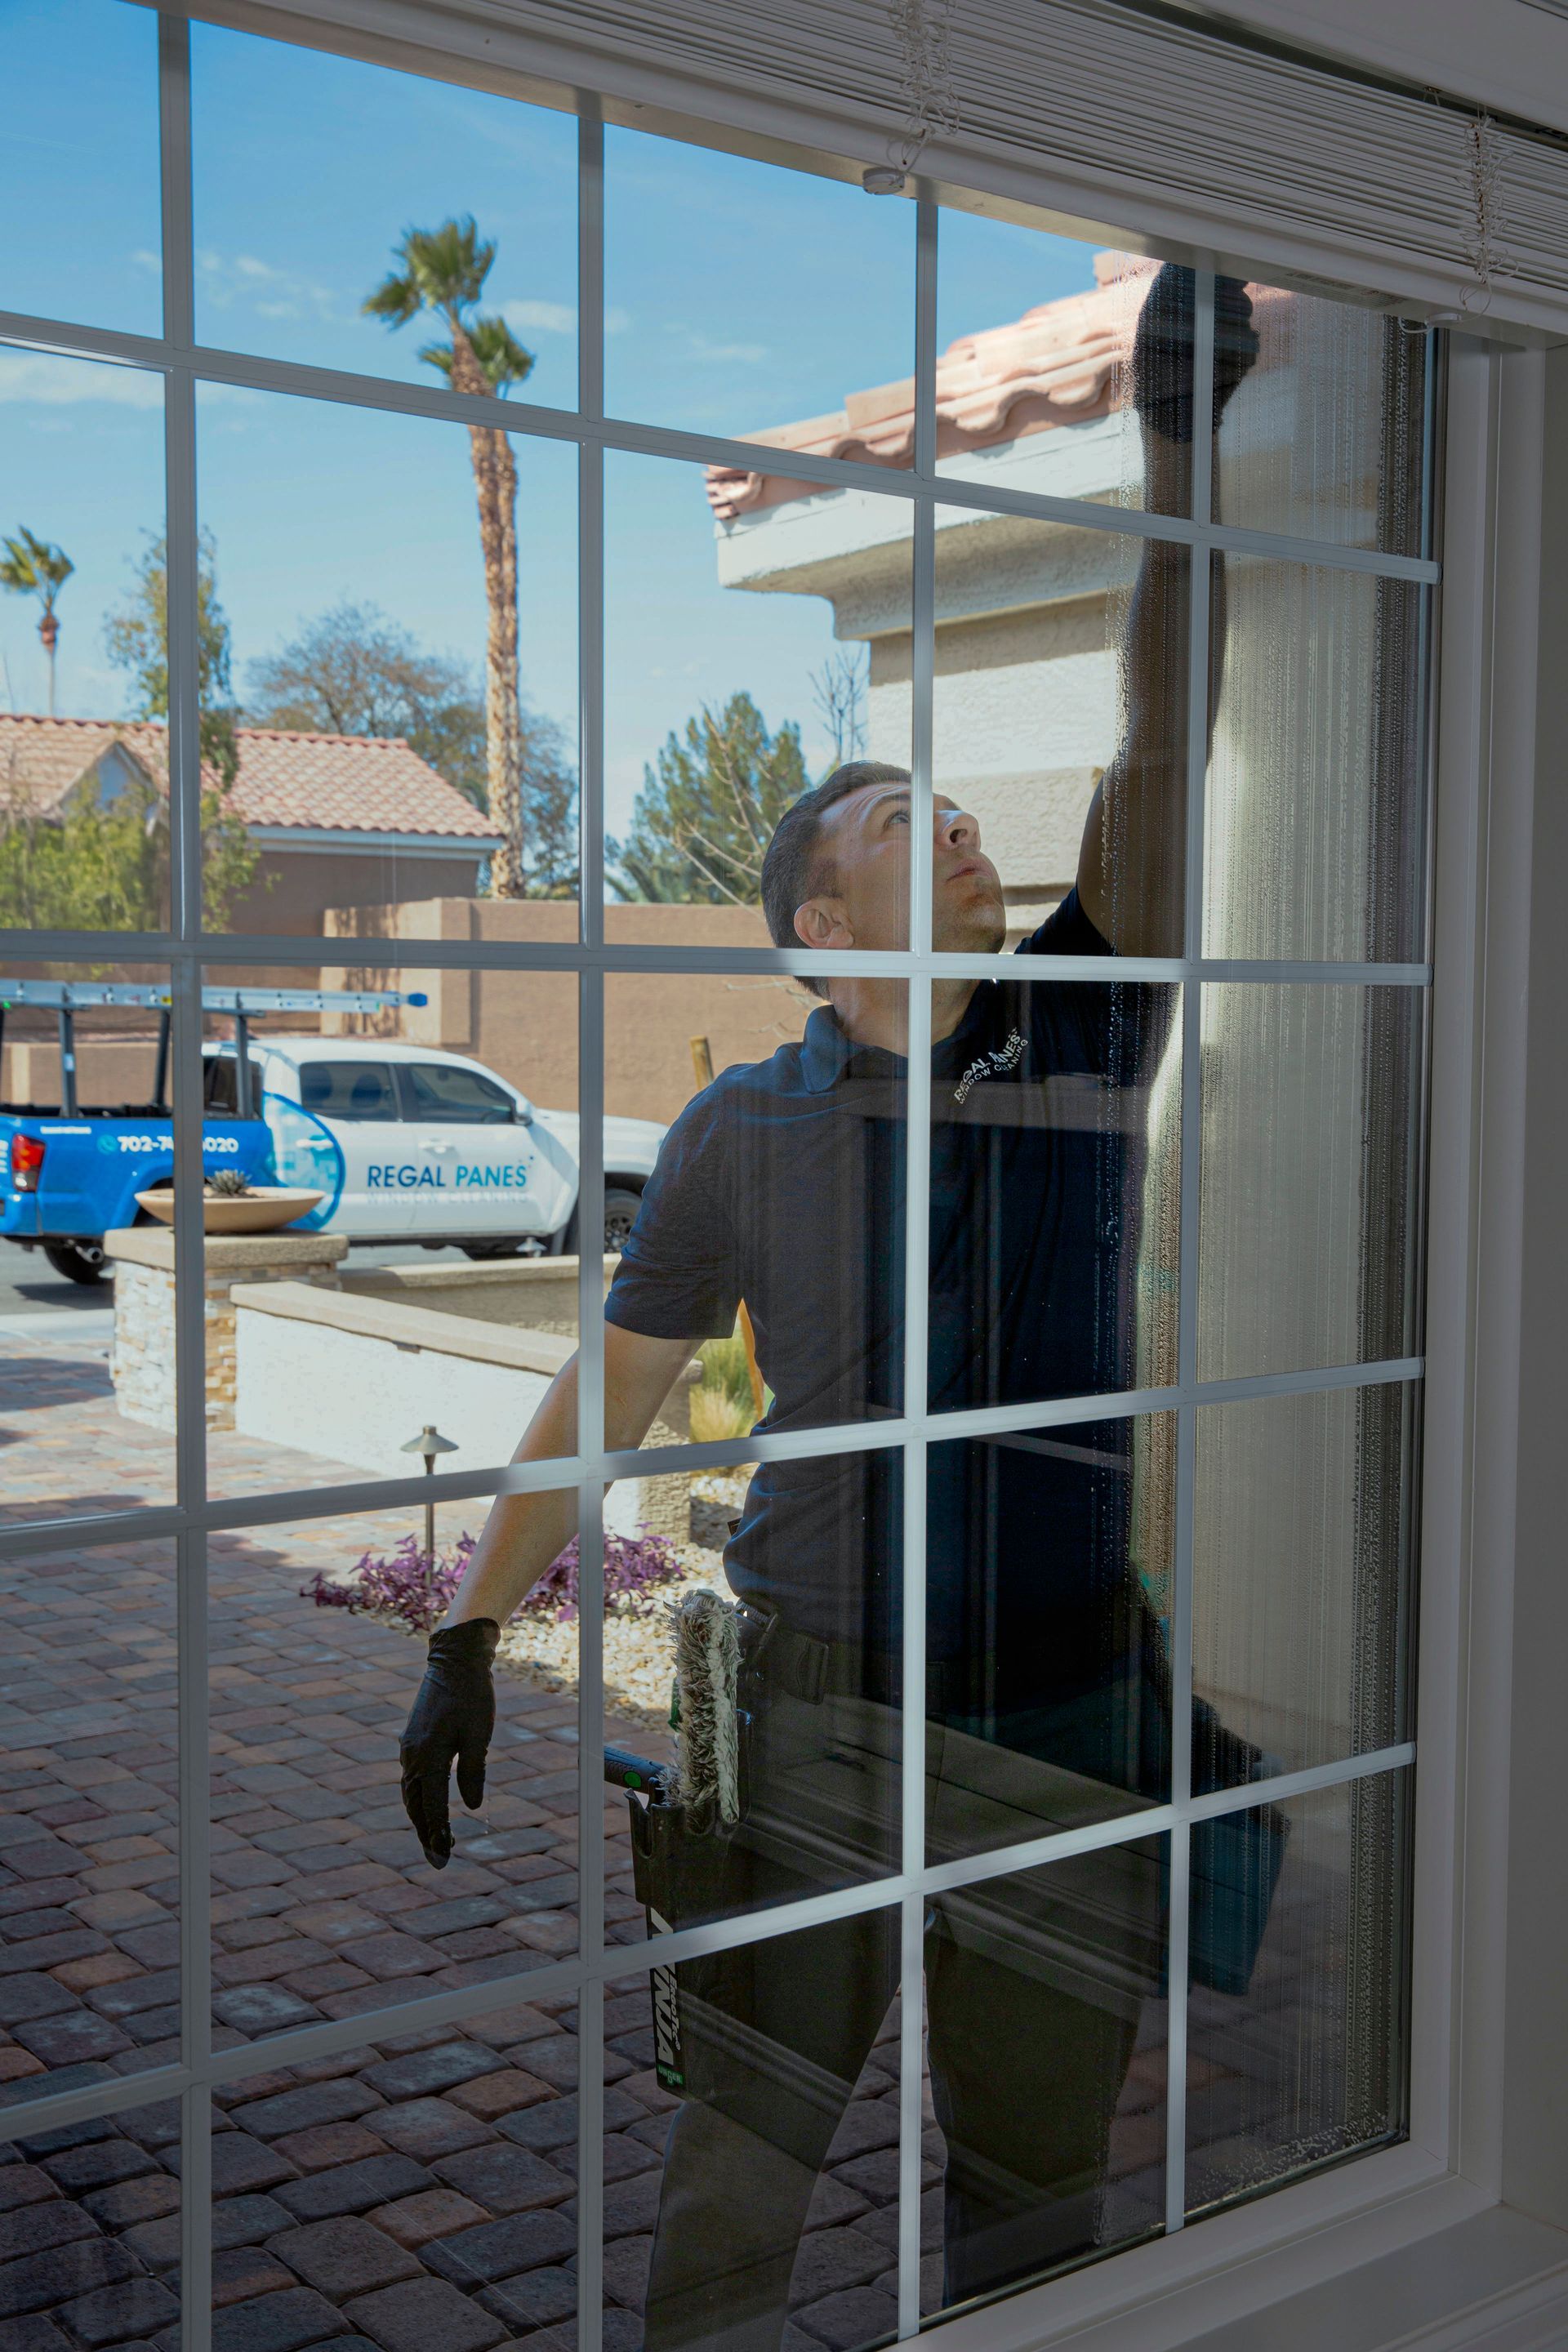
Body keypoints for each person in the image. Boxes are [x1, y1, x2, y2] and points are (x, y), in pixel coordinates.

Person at [399, 265, 1262, 2348]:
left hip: (1062, 1712)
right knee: (740, 2177)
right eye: (897, 817)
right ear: (816, 921)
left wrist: (1177, 451)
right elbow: (593, 1411)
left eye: (945, 800)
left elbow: (1165, 736)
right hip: (807, 1720)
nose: (950, 814)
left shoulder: (1077, 1027)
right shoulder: (737, 1134)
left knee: (1041, 2185)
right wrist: (461, 1641)